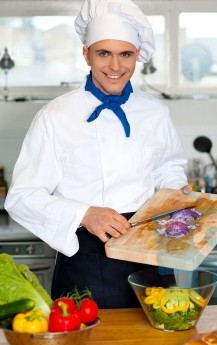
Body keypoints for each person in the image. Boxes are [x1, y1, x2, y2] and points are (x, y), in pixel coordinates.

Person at [5, 0, 190, 308]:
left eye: (125, 54)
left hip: (149, 252)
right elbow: (22, 197)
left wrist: (177, 194)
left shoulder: (155, 112)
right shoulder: (56, 116)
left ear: (137, 56)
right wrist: (85, 214)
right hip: (86, 259)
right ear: (86, 53)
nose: (115, 67)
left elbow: (168, 167)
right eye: (104, 53)